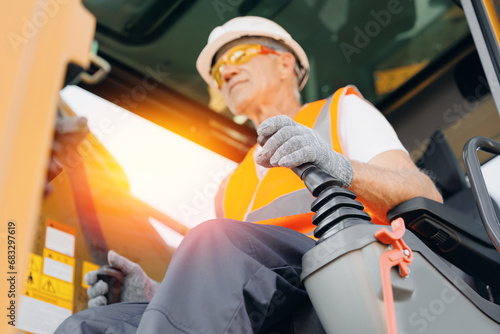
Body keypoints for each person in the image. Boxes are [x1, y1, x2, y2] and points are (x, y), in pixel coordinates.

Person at [56, 16, 442, 333]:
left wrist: (337, 165)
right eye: (220, 70)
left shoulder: (342, 109)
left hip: (347, 266)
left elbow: (424, 193)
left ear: (284, 62)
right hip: (278, 293)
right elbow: (230, 285)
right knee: (91, 324)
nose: (227, 72)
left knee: (214, 241)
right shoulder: (229, 186)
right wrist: (155, 294)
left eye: (239, 54)